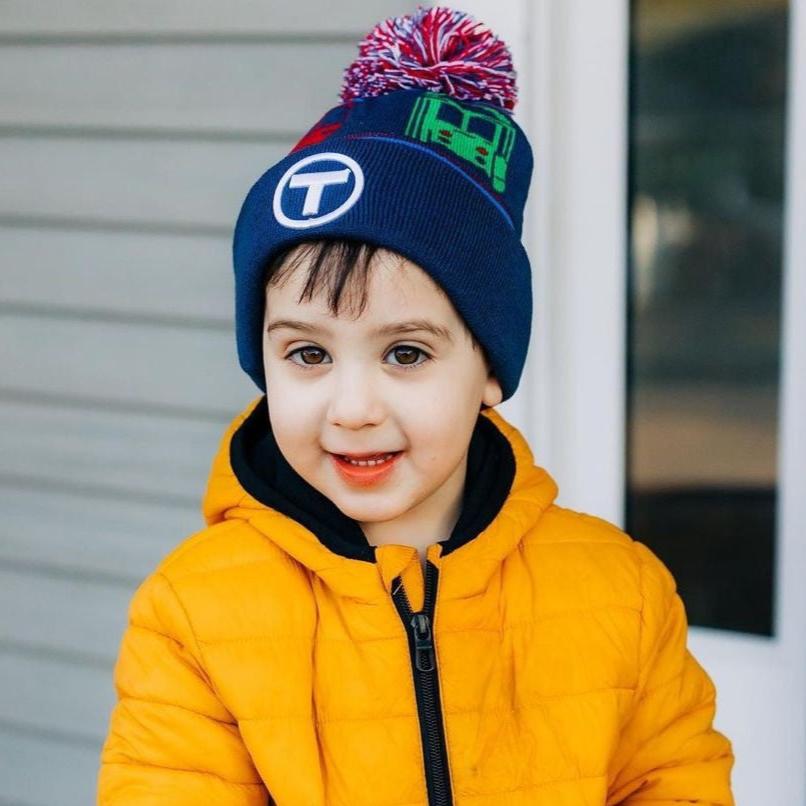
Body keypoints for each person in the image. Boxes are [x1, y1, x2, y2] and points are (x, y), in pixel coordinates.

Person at [97, 6, 735, 804]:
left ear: (490, 370)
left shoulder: (621, 594)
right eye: (308, 354)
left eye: (406, 353)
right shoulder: (195, 611)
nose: (352, 407)